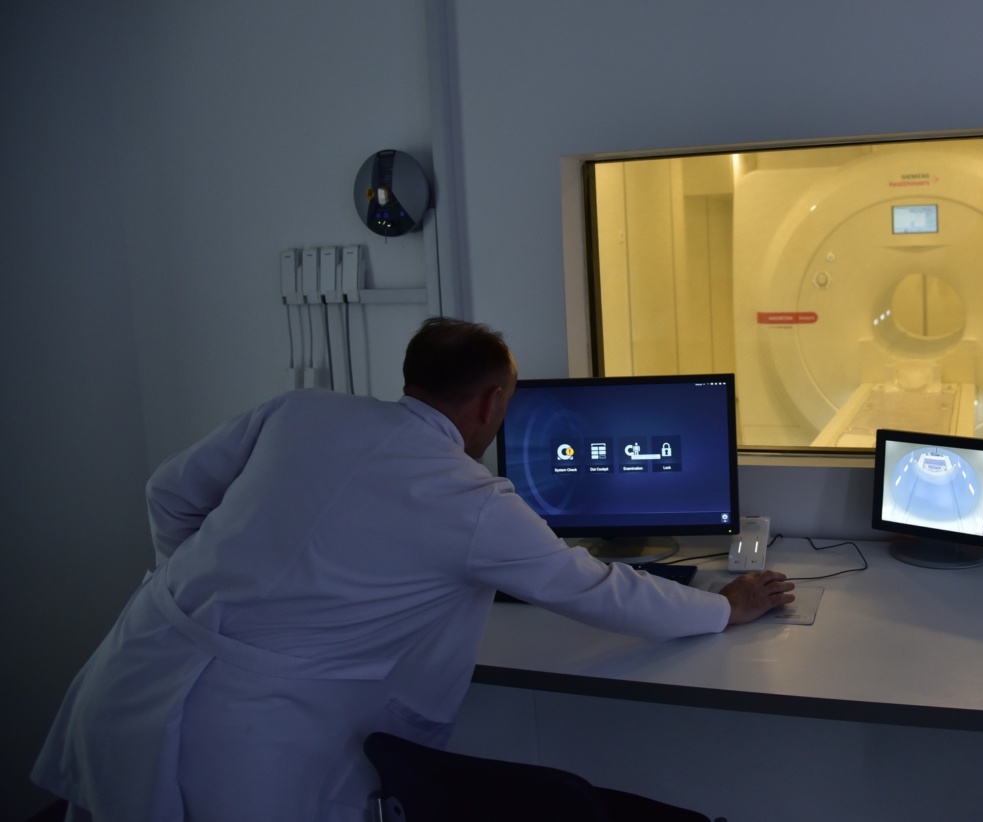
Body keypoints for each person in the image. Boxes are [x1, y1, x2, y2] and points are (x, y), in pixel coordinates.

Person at [33, 317, 794, 821]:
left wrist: (202, 594)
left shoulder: (301, 412)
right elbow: (594, 588)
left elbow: (167, 493)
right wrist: (724, 607)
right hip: (247, 735)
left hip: (135, 669)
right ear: (491, 402)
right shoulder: (467, 497)